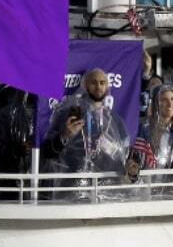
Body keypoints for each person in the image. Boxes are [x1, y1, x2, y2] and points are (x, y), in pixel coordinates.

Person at [41, 69, 138, 199]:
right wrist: (65, 136)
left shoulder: (115, 120)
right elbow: (47, 152)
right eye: (94, 82)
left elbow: (123, 158)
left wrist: (130, 169)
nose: (98, 86)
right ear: (85, 86)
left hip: (106, 194)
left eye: (102, 82)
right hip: (71, 192)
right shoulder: (70, 114)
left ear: (107, 87)